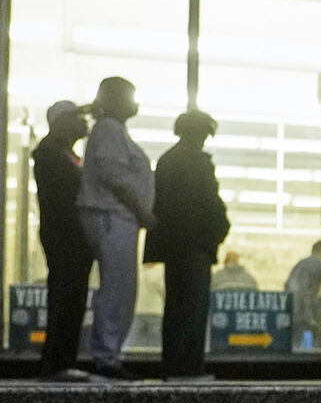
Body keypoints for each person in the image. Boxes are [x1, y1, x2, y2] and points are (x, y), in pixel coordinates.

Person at [77, 76, 154, 381]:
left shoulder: (113, 130)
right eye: (131, 97)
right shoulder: (108, 129)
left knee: (120, 287)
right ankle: (107, 356)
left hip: (118, 217)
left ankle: (109, 352)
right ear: (115, 99)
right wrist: (142, 210)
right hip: (112, 215)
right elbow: (115, 177)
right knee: (117, 288)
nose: (136, 104)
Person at [143, 110, 230, 381]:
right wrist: (220, 228)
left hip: (174, 246)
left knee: (176, 307)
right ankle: (189, 368)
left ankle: (174, 365)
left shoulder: (168, 160)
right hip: (195, 245)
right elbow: (209, 202)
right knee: (193, 307)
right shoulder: (197, 161)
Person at [33, 100, 93, 382]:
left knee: (72, 298)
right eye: (77, 117)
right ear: (60, 121)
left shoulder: (65, 152)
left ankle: (61, 360)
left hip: (71, 235)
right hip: (63, 235)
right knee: (65, 296)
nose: (84, 122)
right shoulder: (49, 152)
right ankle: (56, 362)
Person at [285, 240, 321, 349]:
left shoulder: (299, 264)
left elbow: (287, 286)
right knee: (312, 349)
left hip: (295, 313)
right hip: (312, 315)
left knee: (296, 347)